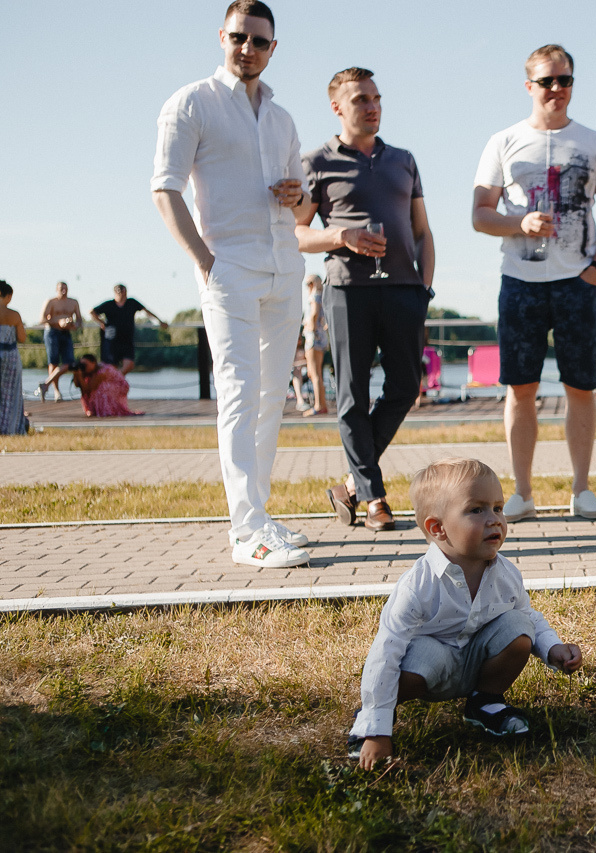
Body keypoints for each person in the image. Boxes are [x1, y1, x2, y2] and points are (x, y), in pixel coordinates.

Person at [151, 0, 310, 568]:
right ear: (222, 35)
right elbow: (164, 188)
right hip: (229, 268)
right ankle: (245, 533)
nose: (248, 49)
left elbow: (305, 205)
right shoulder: (192, 102)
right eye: (240, 37)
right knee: (240, 393)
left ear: (273, 49)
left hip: (284, 268)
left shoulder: (283, 117)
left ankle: (260, 516)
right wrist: (203, 259)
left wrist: (298, 197)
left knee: (271, 398)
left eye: (260, 42)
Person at [347, 457, 584, 770]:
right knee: (423, 654)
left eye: (498, 508)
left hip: (475, 663)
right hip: (429, 669)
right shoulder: (418, 585)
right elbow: (386, 652)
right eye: (477, 510)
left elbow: (530, 617)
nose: (494, 519)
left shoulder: (506, 573)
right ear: (438, 528)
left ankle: (485, 701)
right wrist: (376, 729)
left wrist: (552, 647)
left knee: (518, 624)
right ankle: (374, 718)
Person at [472, 44, 596, 523]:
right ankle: (521, 493)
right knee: (521, 388)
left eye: (565, 80)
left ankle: (581, 490)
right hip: (520, 280)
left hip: (576, 282)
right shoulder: (503, 140)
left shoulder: (595, 142)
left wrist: (595, 270)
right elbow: (479, 215)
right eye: (547, 81)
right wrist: (519, 223)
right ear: (529, 87)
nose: (557, 89)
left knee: (581, 387)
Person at [296, 67, 435, 532]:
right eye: (360, 99)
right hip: (347, 292)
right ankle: (373, 497)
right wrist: (341, 235)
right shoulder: (316, 161)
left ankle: (350, 486)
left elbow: (422, 231)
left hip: (403, 291)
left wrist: (425, 289)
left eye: (376, 97)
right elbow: (296, 234)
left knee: (404, 388)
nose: (372, 106)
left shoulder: (403, 159)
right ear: (337, 107)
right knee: (353, 395)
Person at [91, 284, 168, 376]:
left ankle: (116, 378)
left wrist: (159, 321)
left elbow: (146, 311)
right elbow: (92, 312)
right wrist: (102, 322)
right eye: (121, 292)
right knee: (111, 366)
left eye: (124, 292)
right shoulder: (109, 305)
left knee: (129, 364)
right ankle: (114, 382)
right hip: (112, 341)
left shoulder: (131, 302)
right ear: (116, 293)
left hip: (127, 340)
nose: (124, 295)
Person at [38, 281, 82, 403]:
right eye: (61, 288)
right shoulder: (51, 302)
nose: (63, 291)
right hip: (52, 332)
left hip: (66, 333)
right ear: (56, 289)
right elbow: (42, 319)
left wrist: (73, 325)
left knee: (69, 362)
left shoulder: (73, 302)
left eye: (65, 288)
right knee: (53, 362)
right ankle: (56, 392)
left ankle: (45, 385)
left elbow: (79, 320)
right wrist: (58, 322)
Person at [72, 353, 143, 417]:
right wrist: (76, 374)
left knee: (100, 388)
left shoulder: (102, 371)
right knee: (95, 388)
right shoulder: (88, 372)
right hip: (108, 387)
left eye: (85, 365)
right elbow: (78, 385)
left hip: (119, 387)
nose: (83, 367)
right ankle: (96, 410)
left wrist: (80, 377)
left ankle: (108, 410)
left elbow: (89, 389)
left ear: (93, 363)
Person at [0, 281, 29, 435]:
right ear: (7, 295)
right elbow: (22, 338)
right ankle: (9, 427)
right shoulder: (14, 315)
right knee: (11, 393)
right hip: (10, 355)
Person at [300, 274, 328, 416]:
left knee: (314, 373)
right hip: (320, 337)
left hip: (314, 337)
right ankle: (321, 403)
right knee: (316, 373)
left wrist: (310, 327)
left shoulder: (315, 296)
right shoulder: (323, 296)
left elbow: (314, 313)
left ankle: (318, 405)